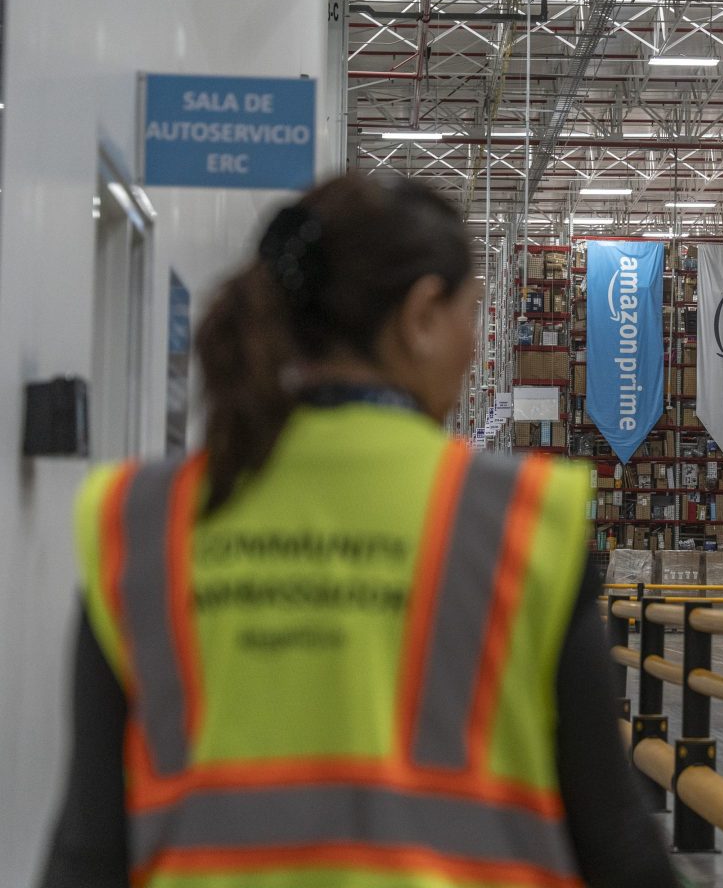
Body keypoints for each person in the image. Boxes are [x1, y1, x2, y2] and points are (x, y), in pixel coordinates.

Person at [40, 174, 679, 888]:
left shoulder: (141, 520)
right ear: (422, 315)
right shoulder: (517, 523)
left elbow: (87, 852)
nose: (475, 347)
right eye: (471, 312)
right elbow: (618, 843)